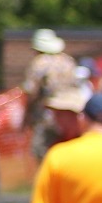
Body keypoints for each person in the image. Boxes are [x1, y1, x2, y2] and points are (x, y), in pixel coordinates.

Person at [22, 29, 80, 160]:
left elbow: (31, 93)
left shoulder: (39, 63)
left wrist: (26, 117)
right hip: (70, 115)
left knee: (43, 154)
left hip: (46, 115)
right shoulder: (68, 61)